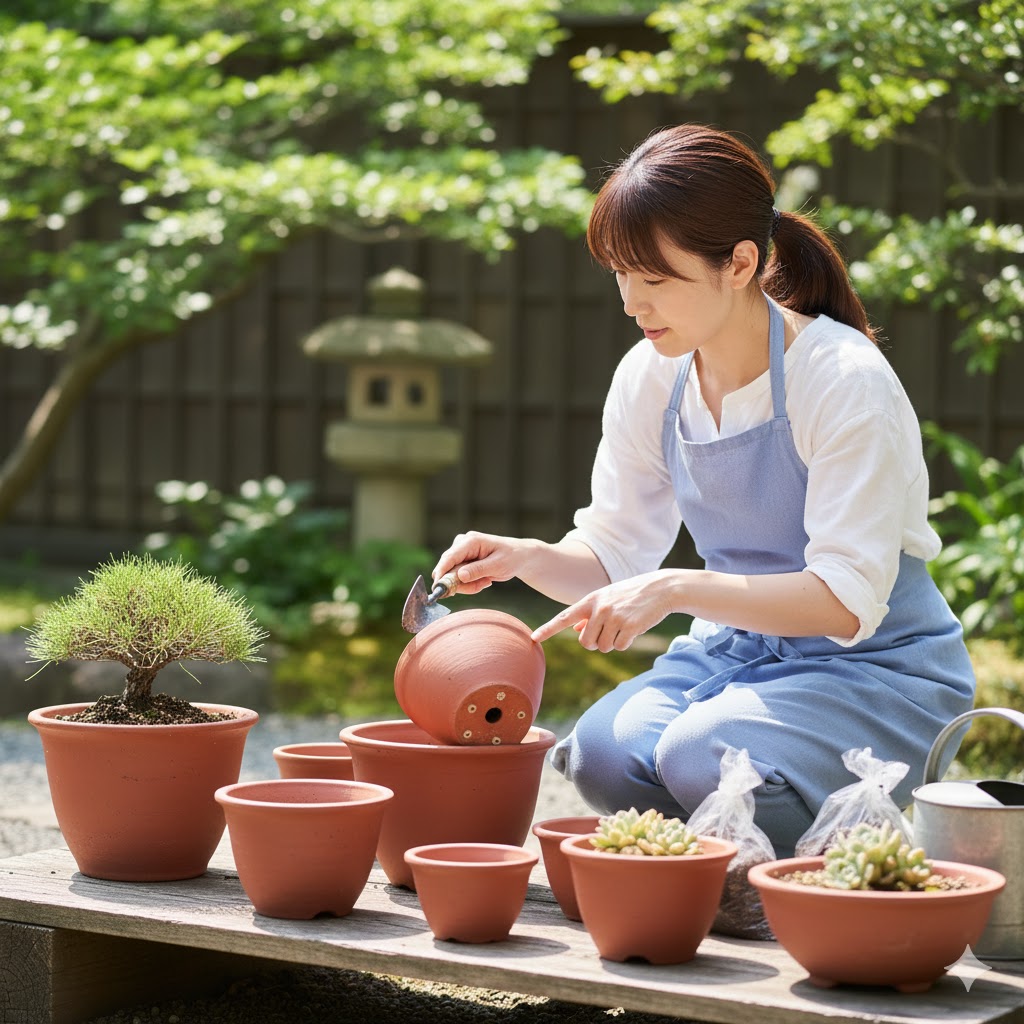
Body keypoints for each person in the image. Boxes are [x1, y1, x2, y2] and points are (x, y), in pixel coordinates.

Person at [431, 123, 975, 857]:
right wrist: (525, 558)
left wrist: (675, 589)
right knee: (601, 755)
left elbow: (845, 602)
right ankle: (734, 869)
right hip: (739, 652)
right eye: (620, 274)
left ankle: (861, 852)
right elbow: (613, 554)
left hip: (876, 667)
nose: (631, 301)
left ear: (740, 263)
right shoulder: (652, 375)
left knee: (699, 754)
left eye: (654, 278)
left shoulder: (844, 382)